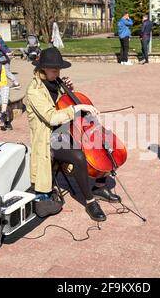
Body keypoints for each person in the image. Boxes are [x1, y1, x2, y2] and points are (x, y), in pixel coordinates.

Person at [25, 47, 122, 222]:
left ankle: (99, 187)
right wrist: (77, 107)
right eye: (54, 70)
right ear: (42, 69)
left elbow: (63, 103)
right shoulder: (34, 91)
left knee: (105, 145)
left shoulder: (56, 82)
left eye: (58, 70)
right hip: (50, 138)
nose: (57, 73)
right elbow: (52, 117)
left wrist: (68, 90)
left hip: (68, 130)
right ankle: (90, 201)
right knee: (78, 156)